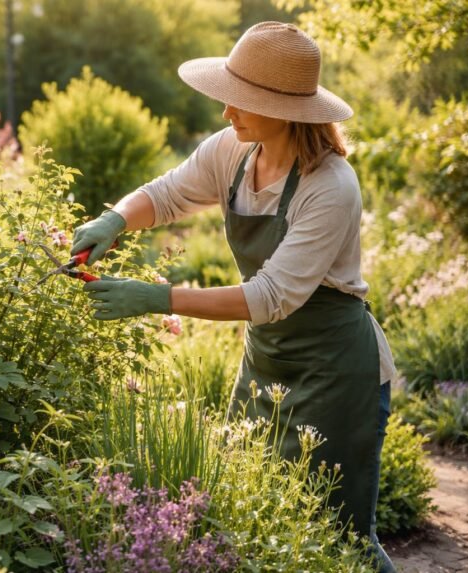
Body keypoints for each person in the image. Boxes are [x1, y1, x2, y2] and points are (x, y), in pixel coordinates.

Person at [72, 21, 397, 572]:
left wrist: (155, 298)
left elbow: (270, 296)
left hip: (336, 374)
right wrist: (116, 219)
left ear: (285, 109)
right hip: (266, 361)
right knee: (257, 521)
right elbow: (166, 194)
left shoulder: (330, 186)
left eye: (241, 101)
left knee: (340, 540)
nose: (226, 112)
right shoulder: (233, 151)